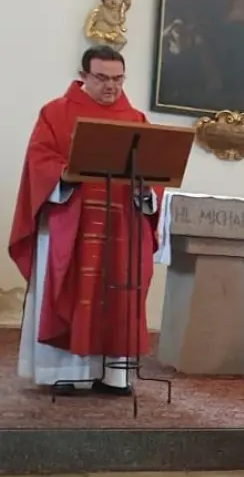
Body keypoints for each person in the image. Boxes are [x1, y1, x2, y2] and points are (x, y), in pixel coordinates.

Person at [11, 46, 158, 395]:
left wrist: (146, 192)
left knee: (120, 292)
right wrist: (65, 173)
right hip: (71, 221)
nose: (111, 86)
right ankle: (66, 372)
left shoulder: (135, 119)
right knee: (71, 290)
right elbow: (39, 162)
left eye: (118, 78)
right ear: (84, 76)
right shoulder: (56, 113)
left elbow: (154, 170)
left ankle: (114, 375)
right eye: (102, 78)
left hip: (121, 224)